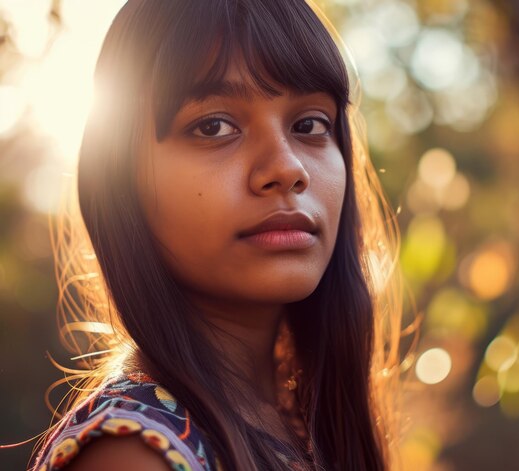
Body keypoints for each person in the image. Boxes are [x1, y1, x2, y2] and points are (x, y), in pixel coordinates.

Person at [31, 0, 405, 469]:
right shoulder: (134, 455)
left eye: (309, 125)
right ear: (120, 181)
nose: (287, 168)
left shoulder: (302, 423)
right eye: (213, 126)